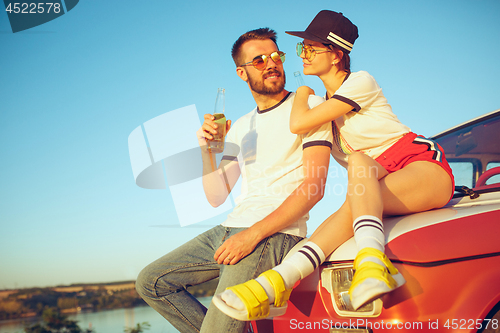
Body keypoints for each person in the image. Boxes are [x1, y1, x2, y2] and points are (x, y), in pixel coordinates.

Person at [214, 10, 455, 320]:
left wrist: (301, 92)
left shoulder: (359, 82)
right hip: (372, 176)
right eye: (302, 48)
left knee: (356, 165)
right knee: (351, 204)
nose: (303, 55)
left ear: (337, 55)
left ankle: (372, 262)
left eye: (312, 48)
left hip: (420, 164)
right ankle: (273, 284)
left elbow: (298, 122)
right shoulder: (327, 101)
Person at [135, 27, 333, 333]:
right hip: (230, 228)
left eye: (275, 55)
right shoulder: (241, 126)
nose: (271, 63)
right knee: (151, 282)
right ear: (242, 73)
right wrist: (207, 152)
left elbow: (314, 189)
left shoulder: (310, 108)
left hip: (271, 234)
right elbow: (216, 195)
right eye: (258, 61)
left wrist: (252, 235)